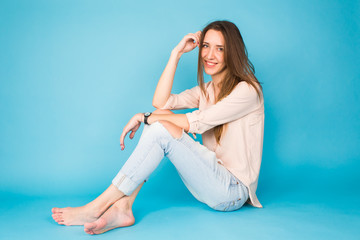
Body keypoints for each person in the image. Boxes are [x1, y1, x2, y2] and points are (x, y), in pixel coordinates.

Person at [51, 20, 264, 235]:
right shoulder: (206, 91)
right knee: (160, 120)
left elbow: (195, 122)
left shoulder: (248, 90)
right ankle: (123, 207)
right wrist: (176, 53)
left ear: (233, 53)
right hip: (211, 180)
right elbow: (161, 102)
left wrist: (144, 117)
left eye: (220, 49)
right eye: (206, 46)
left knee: (159, 124)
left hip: (232, 192)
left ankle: (97, 207)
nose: (210, 55)